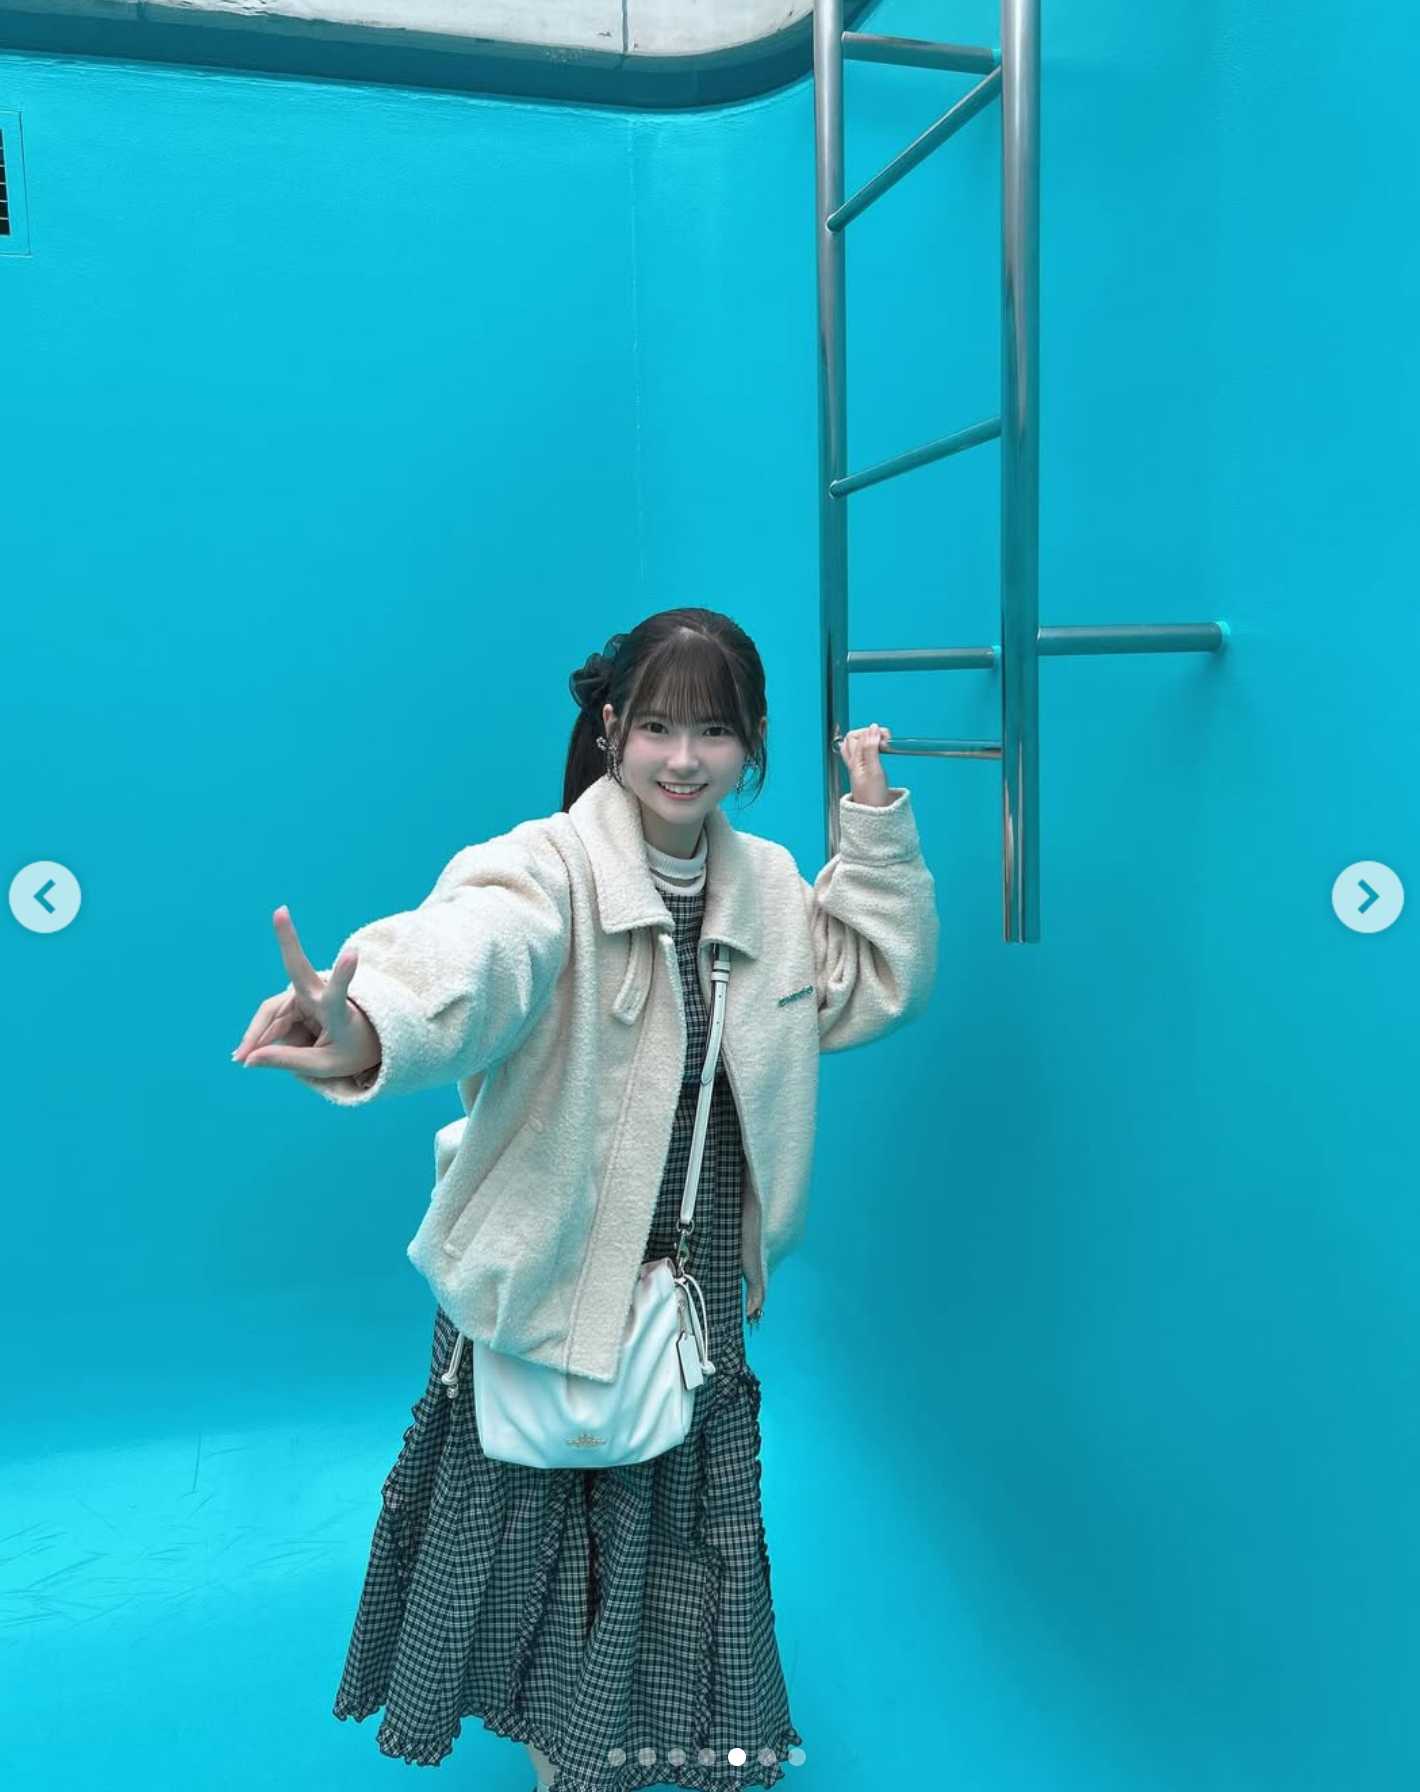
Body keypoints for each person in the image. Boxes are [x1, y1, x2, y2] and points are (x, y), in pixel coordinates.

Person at [232, 607, 939, 1789]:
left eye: (713, 731)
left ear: (753, 741)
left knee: (671, 1514)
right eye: (655, 726)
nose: (681, 758)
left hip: (691, 1264)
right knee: (535, 1511)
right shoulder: (547, 866)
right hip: (552, 1254)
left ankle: (614, 1734)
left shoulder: (768, 888)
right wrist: (363, 1023)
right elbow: (471, 954)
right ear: (610, 728)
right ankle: (564, 1747)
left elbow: (868, 983)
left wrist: (871, 827)